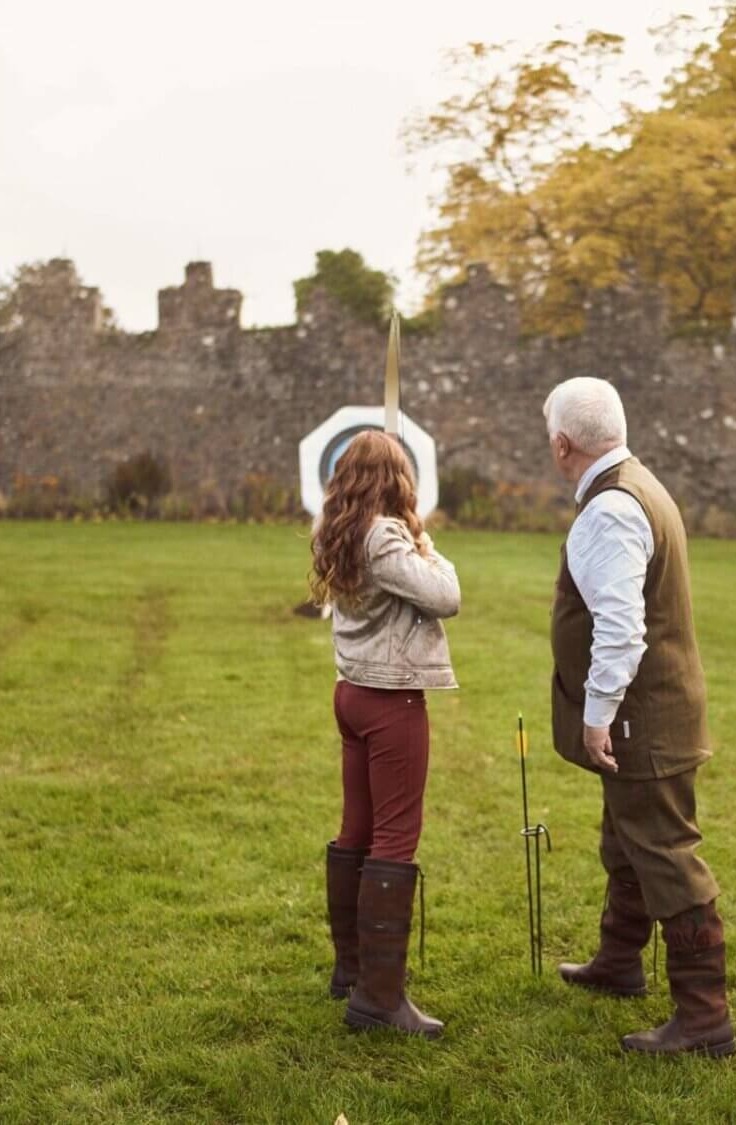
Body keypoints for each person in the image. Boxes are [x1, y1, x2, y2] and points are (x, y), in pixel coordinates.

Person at [542, 377, 736, 1058]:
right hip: (652, 710)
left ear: (562, 443)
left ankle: (705, 1015)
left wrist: (597, 714)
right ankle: (619, 962)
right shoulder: (636, 483)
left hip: (640, 716)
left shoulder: (611, 509)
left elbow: (621, 629)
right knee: (626, 839)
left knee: (665, 854)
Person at [309, 431, 460, 1039]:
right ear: (397, 481)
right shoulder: (385, 535)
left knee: (359, 831)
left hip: (352, 695)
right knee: (395, 839)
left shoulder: (338, 528)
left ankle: (352, 971)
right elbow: (445, 595)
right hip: (390, 699)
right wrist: (426, 542)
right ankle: (379, 997)